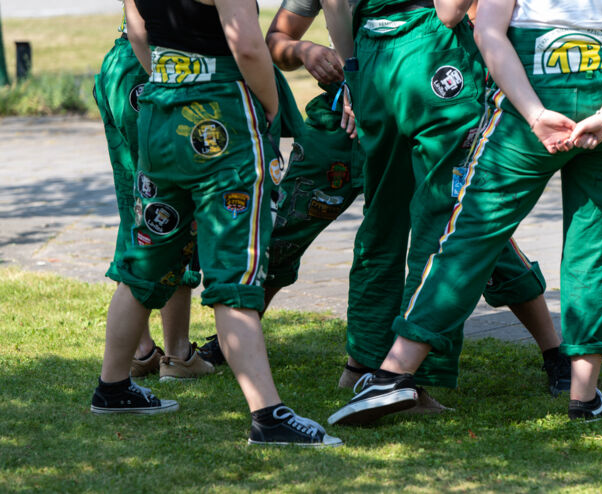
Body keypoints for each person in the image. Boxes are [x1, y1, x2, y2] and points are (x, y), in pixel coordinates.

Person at [197, 0, 572, 401]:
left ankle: (551, 353)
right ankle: (248, 335)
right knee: (301, 226)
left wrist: (357, 77)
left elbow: (474, 20)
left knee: (463, 235)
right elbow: (280, 38)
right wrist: (309, 53)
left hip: (391, 92)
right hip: (354, 116)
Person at [329, 0, 602, 425]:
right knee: (594, 247)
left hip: (532, 83)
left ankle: (393, 374)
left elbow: (487, 30)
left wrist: (534, 114)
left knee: (470, 234)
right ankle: (584, 396)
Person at [90, 0, 342, 448]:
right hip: (221, 114)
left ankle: (112, 387)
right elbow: (246, 45)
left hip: (160, 108)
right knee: (234, 267)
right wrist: (268, 106)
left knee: (145, 258)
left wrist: (171, 84)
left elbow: (139, 35)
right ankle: (268, 415)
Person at [93, 5, 213, 382]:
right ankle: (177, 354)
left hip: (120, 62)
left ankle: (142, 351)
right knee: (171, 206)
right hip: (154, 64)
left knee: (137, 204)